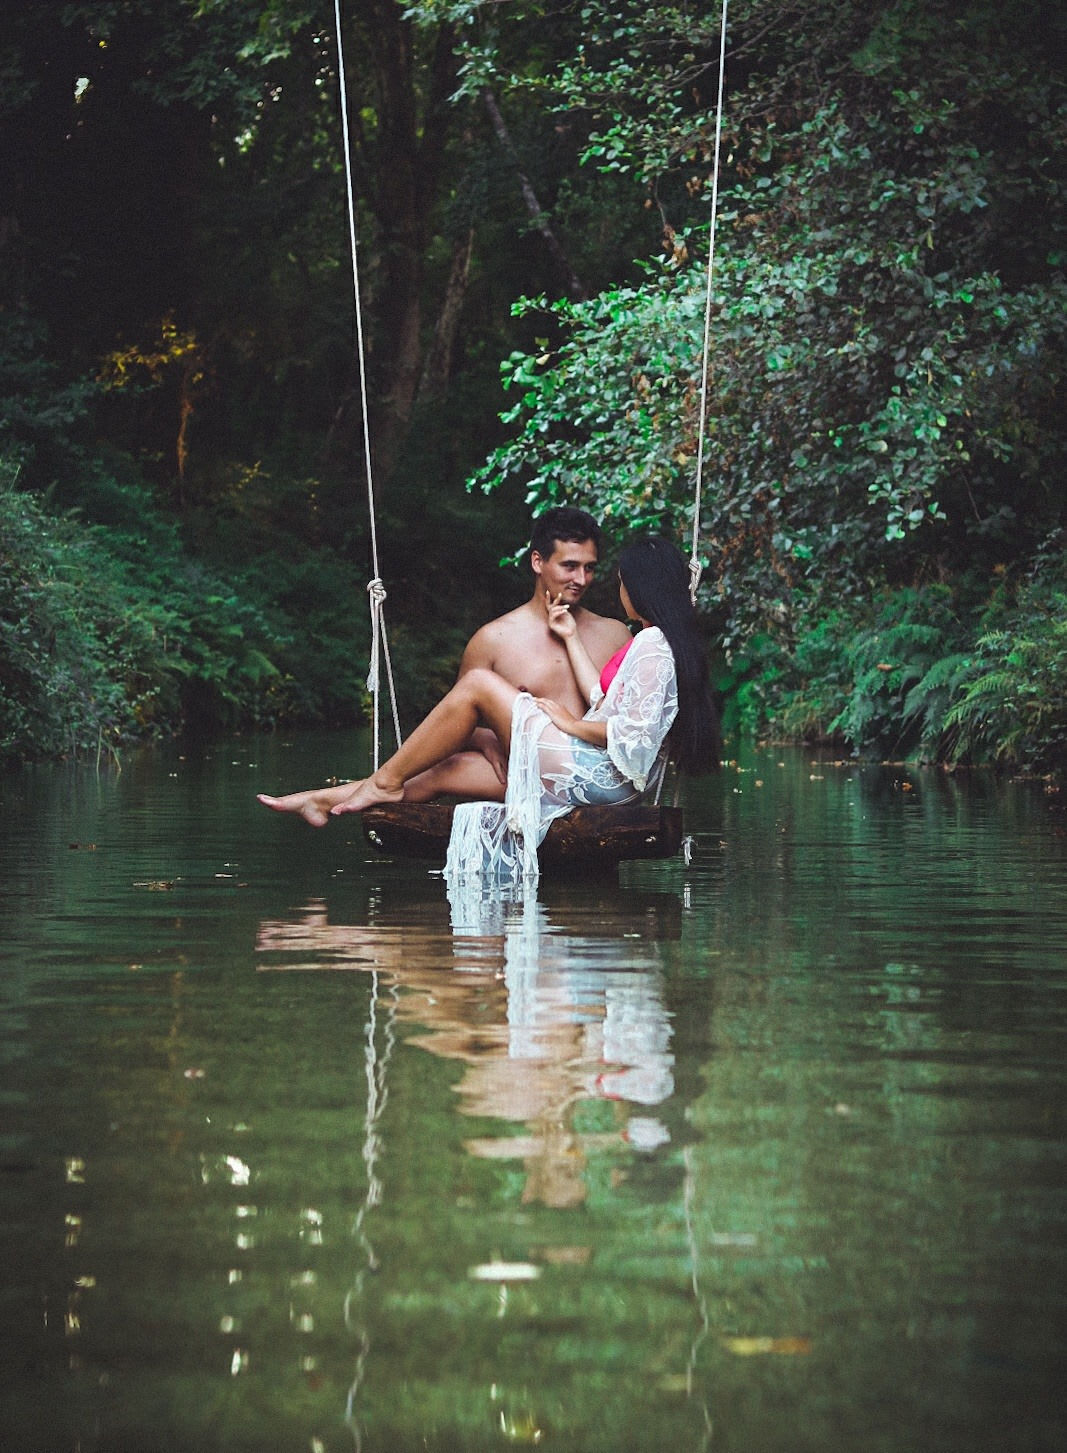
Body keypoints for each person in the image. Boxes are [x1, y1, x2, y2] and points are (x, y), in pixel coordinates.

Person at [258, 537, 721, 877]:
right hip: (595, 775)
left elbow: (632, 736)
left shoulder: (655, 645)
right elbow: (607, 705)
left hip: (602, 780)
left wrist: (568, 724)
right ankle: (323, 800)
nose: (616, 591)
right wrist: (571, 639)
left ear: (640, 587)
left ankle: (382, 780)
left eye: (620, 582)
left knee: (479, 685)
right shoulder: (654, 642)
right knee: (447, 768)